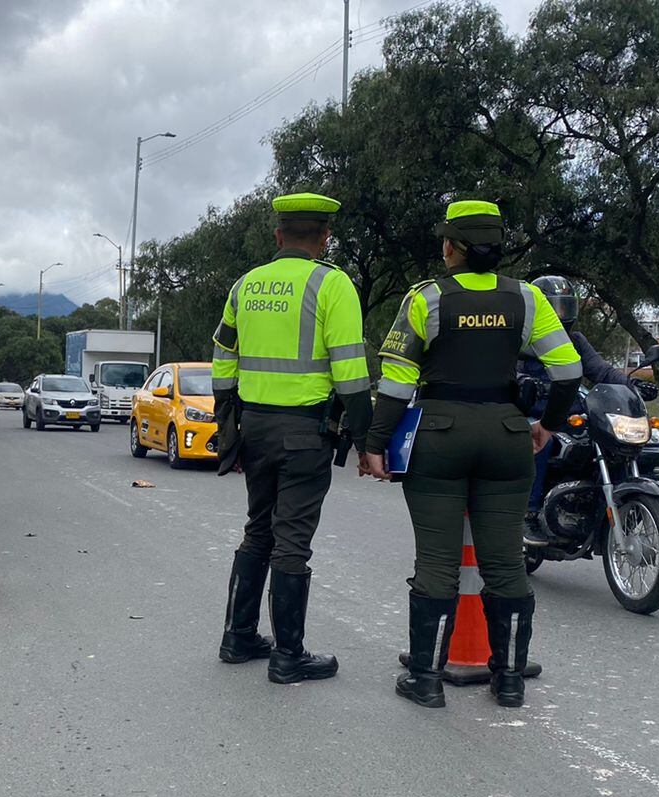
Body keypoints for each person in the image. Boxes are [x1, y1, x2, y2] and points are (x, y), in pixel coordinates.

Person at [362, 200, 582, 709]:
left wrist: (375, 443)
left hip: (440, 435)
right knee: (505, 561)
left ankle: (426, 679)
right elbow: (568, 373)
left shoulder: (425, 299)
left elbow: (397, 383)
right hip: (506, 436)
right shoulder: (527, 299)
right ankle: (508, 681)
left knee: (436, 561)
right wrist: (546, 425)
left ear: (450, 247)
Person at [211, 192, 372, 685]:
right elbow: (350, 372)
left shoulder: (245, 285)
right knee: (292, 543)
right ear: (324, 238)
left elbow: (222, 357)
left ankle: (238, 638)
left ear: (278, 236)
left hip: (254, 427)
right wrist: (367, 440)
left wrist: (227, 427)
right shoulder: (332, 284)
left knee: (258, 529)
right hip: (305, 432)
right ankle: (288, 656)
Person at [519, 275, 659, 546]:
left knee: (611, 440)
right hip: (536, 415)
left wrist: (633, 385)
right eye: (553, 309)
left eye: (564, 308)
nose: (559, 315)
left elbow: (600, 370)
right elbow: (512, 374)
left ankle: (615, 504)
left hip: (571, 415)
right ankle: (529, 514)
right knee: (538, 444)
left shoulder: (576, 340)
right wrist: (527, 384)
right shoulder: (523, 342)